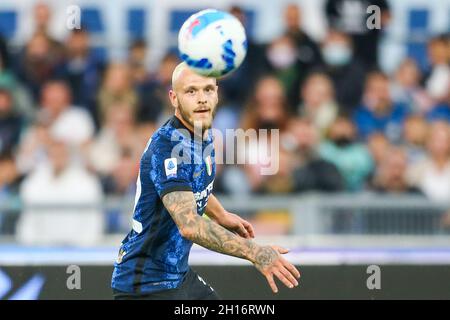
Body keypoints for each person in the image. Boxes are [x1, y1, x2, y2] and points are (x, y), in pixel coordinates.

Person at [111, 63, 300, 299]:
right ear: (174, 98)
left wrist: (220, 214)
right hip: (146, 285)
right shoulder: (169, 147)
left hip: (177, 276)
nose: (202, 99)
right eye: (191, 91)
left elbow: (190, 183)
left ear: (217, 93)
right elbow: (190, 224)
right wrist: (255, 252)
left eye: (208, 90)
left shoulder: (202, 131)